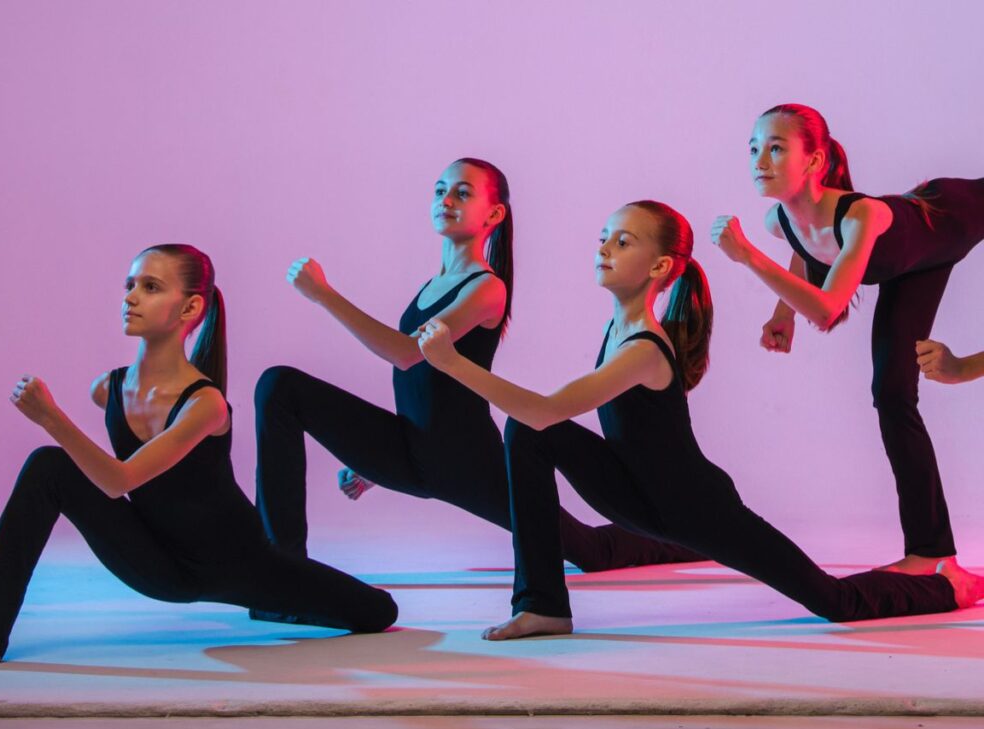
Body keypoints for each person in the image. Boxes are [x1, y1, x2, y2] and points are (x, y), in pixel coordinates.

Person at [416, 200, 983, 641]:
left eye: (624, 240)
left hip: (700, 510)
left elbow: (544, 406)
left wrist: (452, 363)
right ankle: (541, 604)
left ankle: (942, 588)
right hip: (638, 498)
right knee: (528, 434)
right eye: (604, 237)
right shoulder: (618, 330)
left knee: (836, 603)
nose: (605, 247)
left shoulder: (643, 347)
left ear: (660, 266)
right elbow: (538, 420)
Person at [252, 158, 701, 622]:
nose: (446, 200)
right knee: (279, 387)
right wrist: (375, 463)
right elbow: (419, 386)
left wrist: (324, 295)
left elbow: (410, 355)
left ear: (493, 216)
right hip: (414, 447)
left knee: (591, 549)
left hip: (464, 459)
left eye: (462, 193)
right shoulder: (432, 285)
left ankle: (690, 536)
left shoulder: (488, 289)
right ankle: (285, 580)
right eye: (440, 190)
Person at [0, 244, 397, 663]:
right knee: (47, 466)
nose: (131, 297)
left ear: (189, 309)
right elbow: (110, 484)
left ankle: (281, 601)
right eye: (130, 285)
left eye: (150, 287)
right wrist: (52, 426)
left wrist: (52, 418)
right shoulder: (107, 389)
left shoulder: (204, 403)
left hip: (241, 565)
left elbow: (120, 480)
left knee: (378, 612)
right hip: (159, 566)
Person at [711, 103, 984, 574]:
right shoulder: (780, 221)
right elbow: (804, 247)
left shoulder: (862, 216)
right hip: (918, 262)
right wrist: (783, 313)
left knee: (892, 391)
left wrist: (750, 259)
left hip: (956, 212)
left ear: (814, 161)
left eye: (776, 148)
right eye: (754, 148)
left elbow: (827, 308)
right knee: (892, 394)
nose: (759, 161)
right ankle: (932, 553)